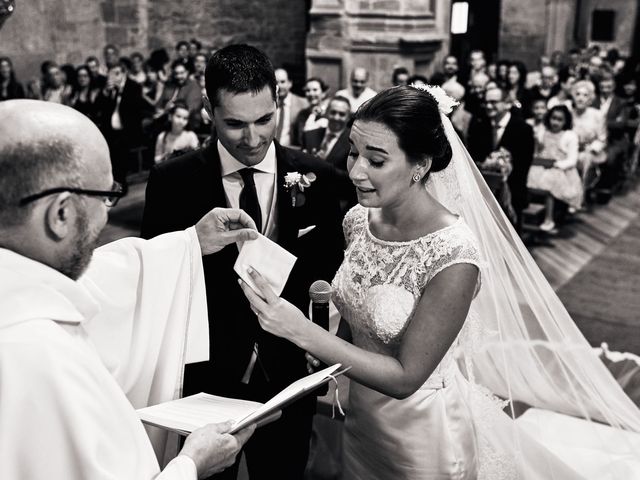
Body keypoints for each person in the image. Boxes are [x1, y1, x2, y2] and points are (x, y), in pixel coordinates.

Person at [239, 85, 640, 479]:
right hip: (362, 424)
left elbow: (406, 378)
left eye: (376, 161)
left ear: (420, 165)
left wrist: (302, 332)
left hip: (421, 439)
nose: (357, 170)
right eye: (354, 153)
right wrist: (328, 354)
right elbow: (355, 319)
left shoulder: (454, 253)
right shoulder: (358, 222)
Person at [0, 99, 257, 479]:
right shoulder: (40, 358)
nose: (106, 213)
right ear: (61, 214)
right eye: (106, 196)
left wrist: (189, 244)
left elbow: (102, 275)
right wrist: (190, 463)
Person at [141, 44, 346, 480]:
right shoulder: (171, 182)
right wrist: (191, 244)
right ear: (209, 114)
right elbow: (153, 277)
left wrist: (322, 339)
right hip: (206, 376)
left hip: (289, 376)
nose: (252, 139)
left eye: (264, 120)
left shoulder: (321, 179)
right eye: (234, 124)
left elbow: (329, 275)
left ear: (277, 104)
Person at [467, 86, 534, 231]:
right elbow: (472, 158)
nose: (489, 106)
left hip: (512, 190)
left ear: (507, 104)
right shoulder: (479, 126)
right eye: (486, 102)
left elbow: (523, 166)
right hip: (483, 191)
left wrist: (502, 176)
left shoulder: (523, 129)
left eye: (494, 102)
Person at [527, 105, 583, 230]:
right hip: (542, 165)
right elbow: (537, 152)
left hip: (561, 169)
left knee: (550, 182)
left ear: (566, 121)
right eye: (553, 118)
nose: (555, 122)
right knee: (528, 176)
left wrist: (556, 164)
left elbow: (572, 160)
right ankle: (529, 213)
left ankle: (549, 218)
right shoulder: (543, 131)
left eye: (559, 120)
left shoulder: (569, 135)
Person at [94, 58, 145, 190]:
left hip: (129, 130)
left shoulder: (134, 87)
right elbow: (98, 108)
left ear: (124, 73)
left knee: (118, 150)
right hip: (111, 131)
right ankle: (107, 183)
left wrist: (119, 92)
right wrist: (106, 93)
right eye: (111, 74)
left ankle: (121, 186)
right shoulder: (108, 88)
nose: (113, 77)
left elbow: (133, 110)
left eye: (117, 73)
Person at [293, 77, 330, 146]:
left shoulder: (329, 113)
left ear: (323, 93)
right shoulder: (302, 114)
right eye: (308, 90)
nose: (311, 93)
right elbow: (298, 140)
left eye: (315, 90)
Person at [274, 67, 306, 146]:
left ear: (290, 83)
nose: (279, 86)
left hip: (291, 150)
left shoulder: (303, 104)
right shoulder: (267, 103)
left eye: (282, 82)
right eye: (275, 82)